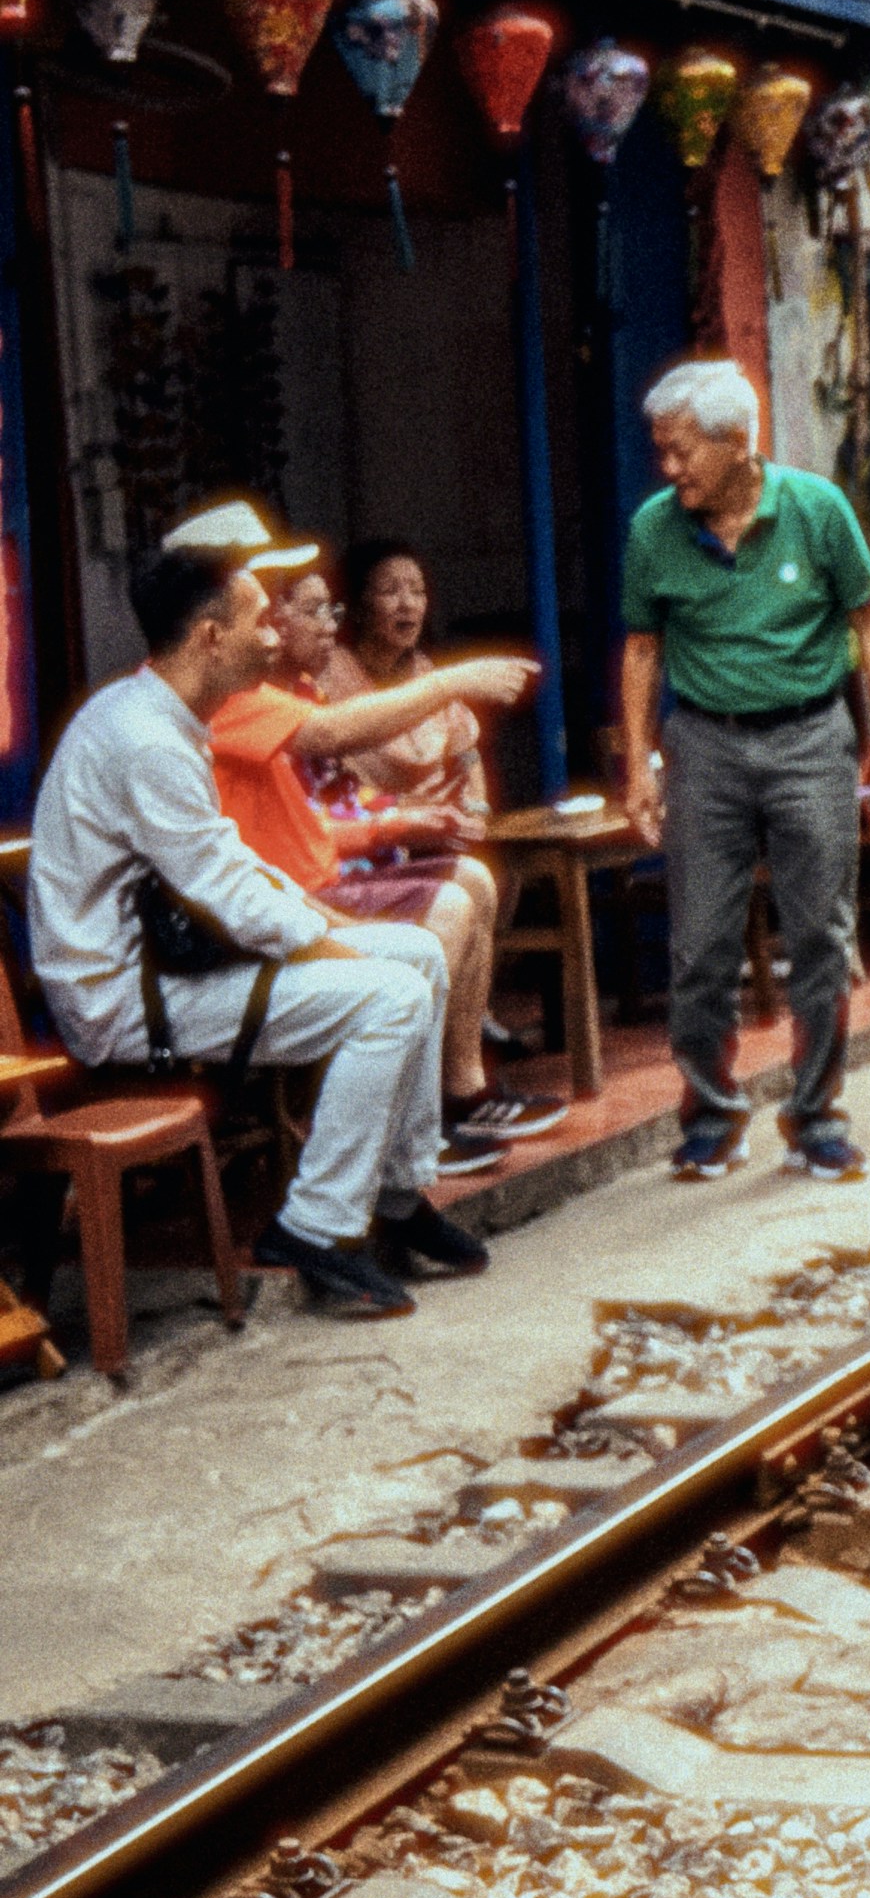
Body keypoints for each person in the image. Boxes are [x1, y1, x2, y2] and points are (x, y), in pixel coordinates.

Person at [24, 534, 484, 1317]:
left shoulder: (164, 716)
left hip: (180, 966)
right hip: (130, 1000)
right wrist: (333, 946)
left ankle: (398, 1197)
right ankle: (314, 1226)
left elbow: (229, 867)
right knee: (392, 996)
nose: (274, 636)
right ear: (211, 637)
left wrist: (328, 926)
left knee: (417, 955)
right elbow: (229, 894)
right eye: (258, 621)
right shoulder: (144, 738)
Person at [165, 508, 542, 1172]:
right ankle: (402, 1134)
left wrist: (400, 817)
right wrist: (453, 683)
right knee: (445, 913)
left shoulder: (261, 689)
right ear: (212, 624)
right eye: (270, 605)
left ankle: (454, 1098)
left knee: (471, 882)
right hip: (267, 918)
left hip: (298, 892)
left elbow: (328, 800)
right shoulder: (222, 698)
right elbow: (333, 737)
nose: (291, 624)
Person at [615, 360, 870, 1186]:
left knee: (821, 937)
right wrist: (639, 762)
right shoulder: (654, 529)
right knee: (700, 946)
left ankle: (816, 1118)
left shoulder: (816, 510)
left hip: (810, 738)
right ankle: (712, 1118)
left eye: (682, 451)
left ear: (738, 443)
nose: (669, 468)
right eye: (661, 450)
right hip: (704, 746)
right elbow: (642, 647)